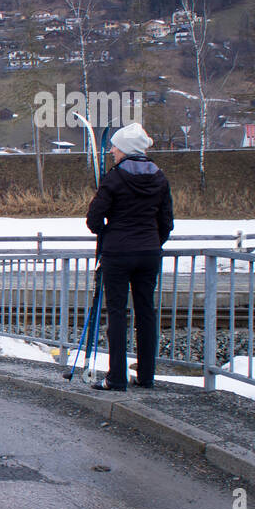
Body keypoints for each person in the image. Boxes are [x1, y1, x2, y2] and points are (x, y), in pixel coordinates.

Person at [85, 123, 174, 391]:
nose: (111, 150)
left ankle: (116, 377)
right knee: (146, 312)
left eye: (114, 146)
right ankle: (146, 376)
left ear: (124, 149)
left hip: (118, 253)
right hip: (148, 252)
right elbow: (166, 221)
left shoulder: (114, 178)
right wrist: (153, 242)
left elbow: (93, 218)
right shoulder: (159, 177)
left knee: (117, 314)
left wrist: (108, 234)